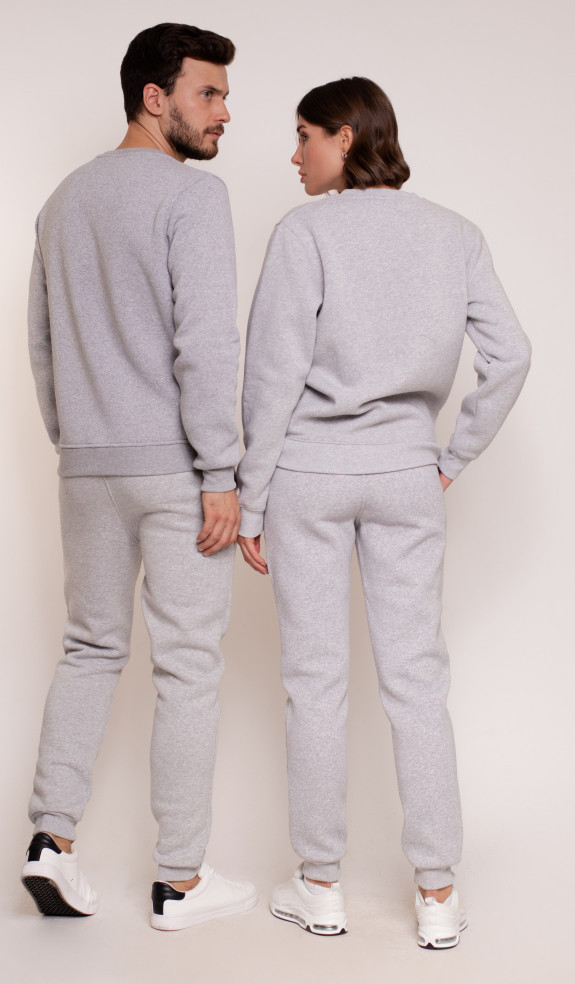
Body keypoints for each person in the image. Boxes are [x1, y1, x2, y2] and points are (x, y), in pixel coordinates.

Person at [236, 77, 531, 948]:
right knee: (417, 684)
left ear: (346, 135)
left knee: (314, 681)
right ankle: (437, 893)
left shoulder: (304, 233)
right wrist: (450, 458)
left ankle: (320, 884)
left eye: (304, 136)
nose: (294, 156)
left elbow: (272, 374)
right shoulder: (454, 233)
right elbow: (512, 355)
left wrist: (250, 500)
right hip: (407, 475)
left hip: (309, 478)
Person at [21, 22, 257, 930]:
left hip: (86, 468)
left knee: (89, 650)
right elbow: (207, 343)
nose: (225, 113)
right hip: (176, 471)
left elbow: (42, 344)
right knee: (188, 667)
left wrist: (78, 440)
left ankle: (51, 842)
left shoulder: (62, 200)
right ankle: (179, 884)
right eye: (209, 93)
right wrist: (220, 470)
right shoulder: (193, 196)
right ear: (155, 98)